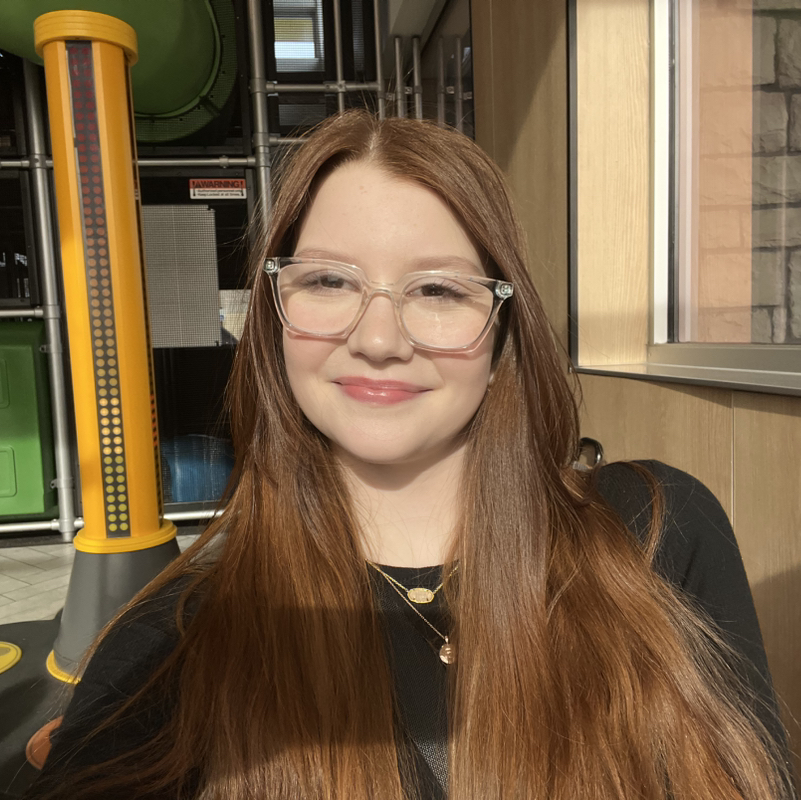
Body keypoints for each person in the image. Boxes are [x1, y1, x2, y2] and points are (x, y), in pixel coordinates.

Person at [25, 111, 793, 800]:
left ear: (501, 330)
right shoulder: (175, 642)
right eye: (329, 280)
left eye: (437, 290)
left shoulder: (656, 536)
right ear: (274, 314)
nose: (379, 339)